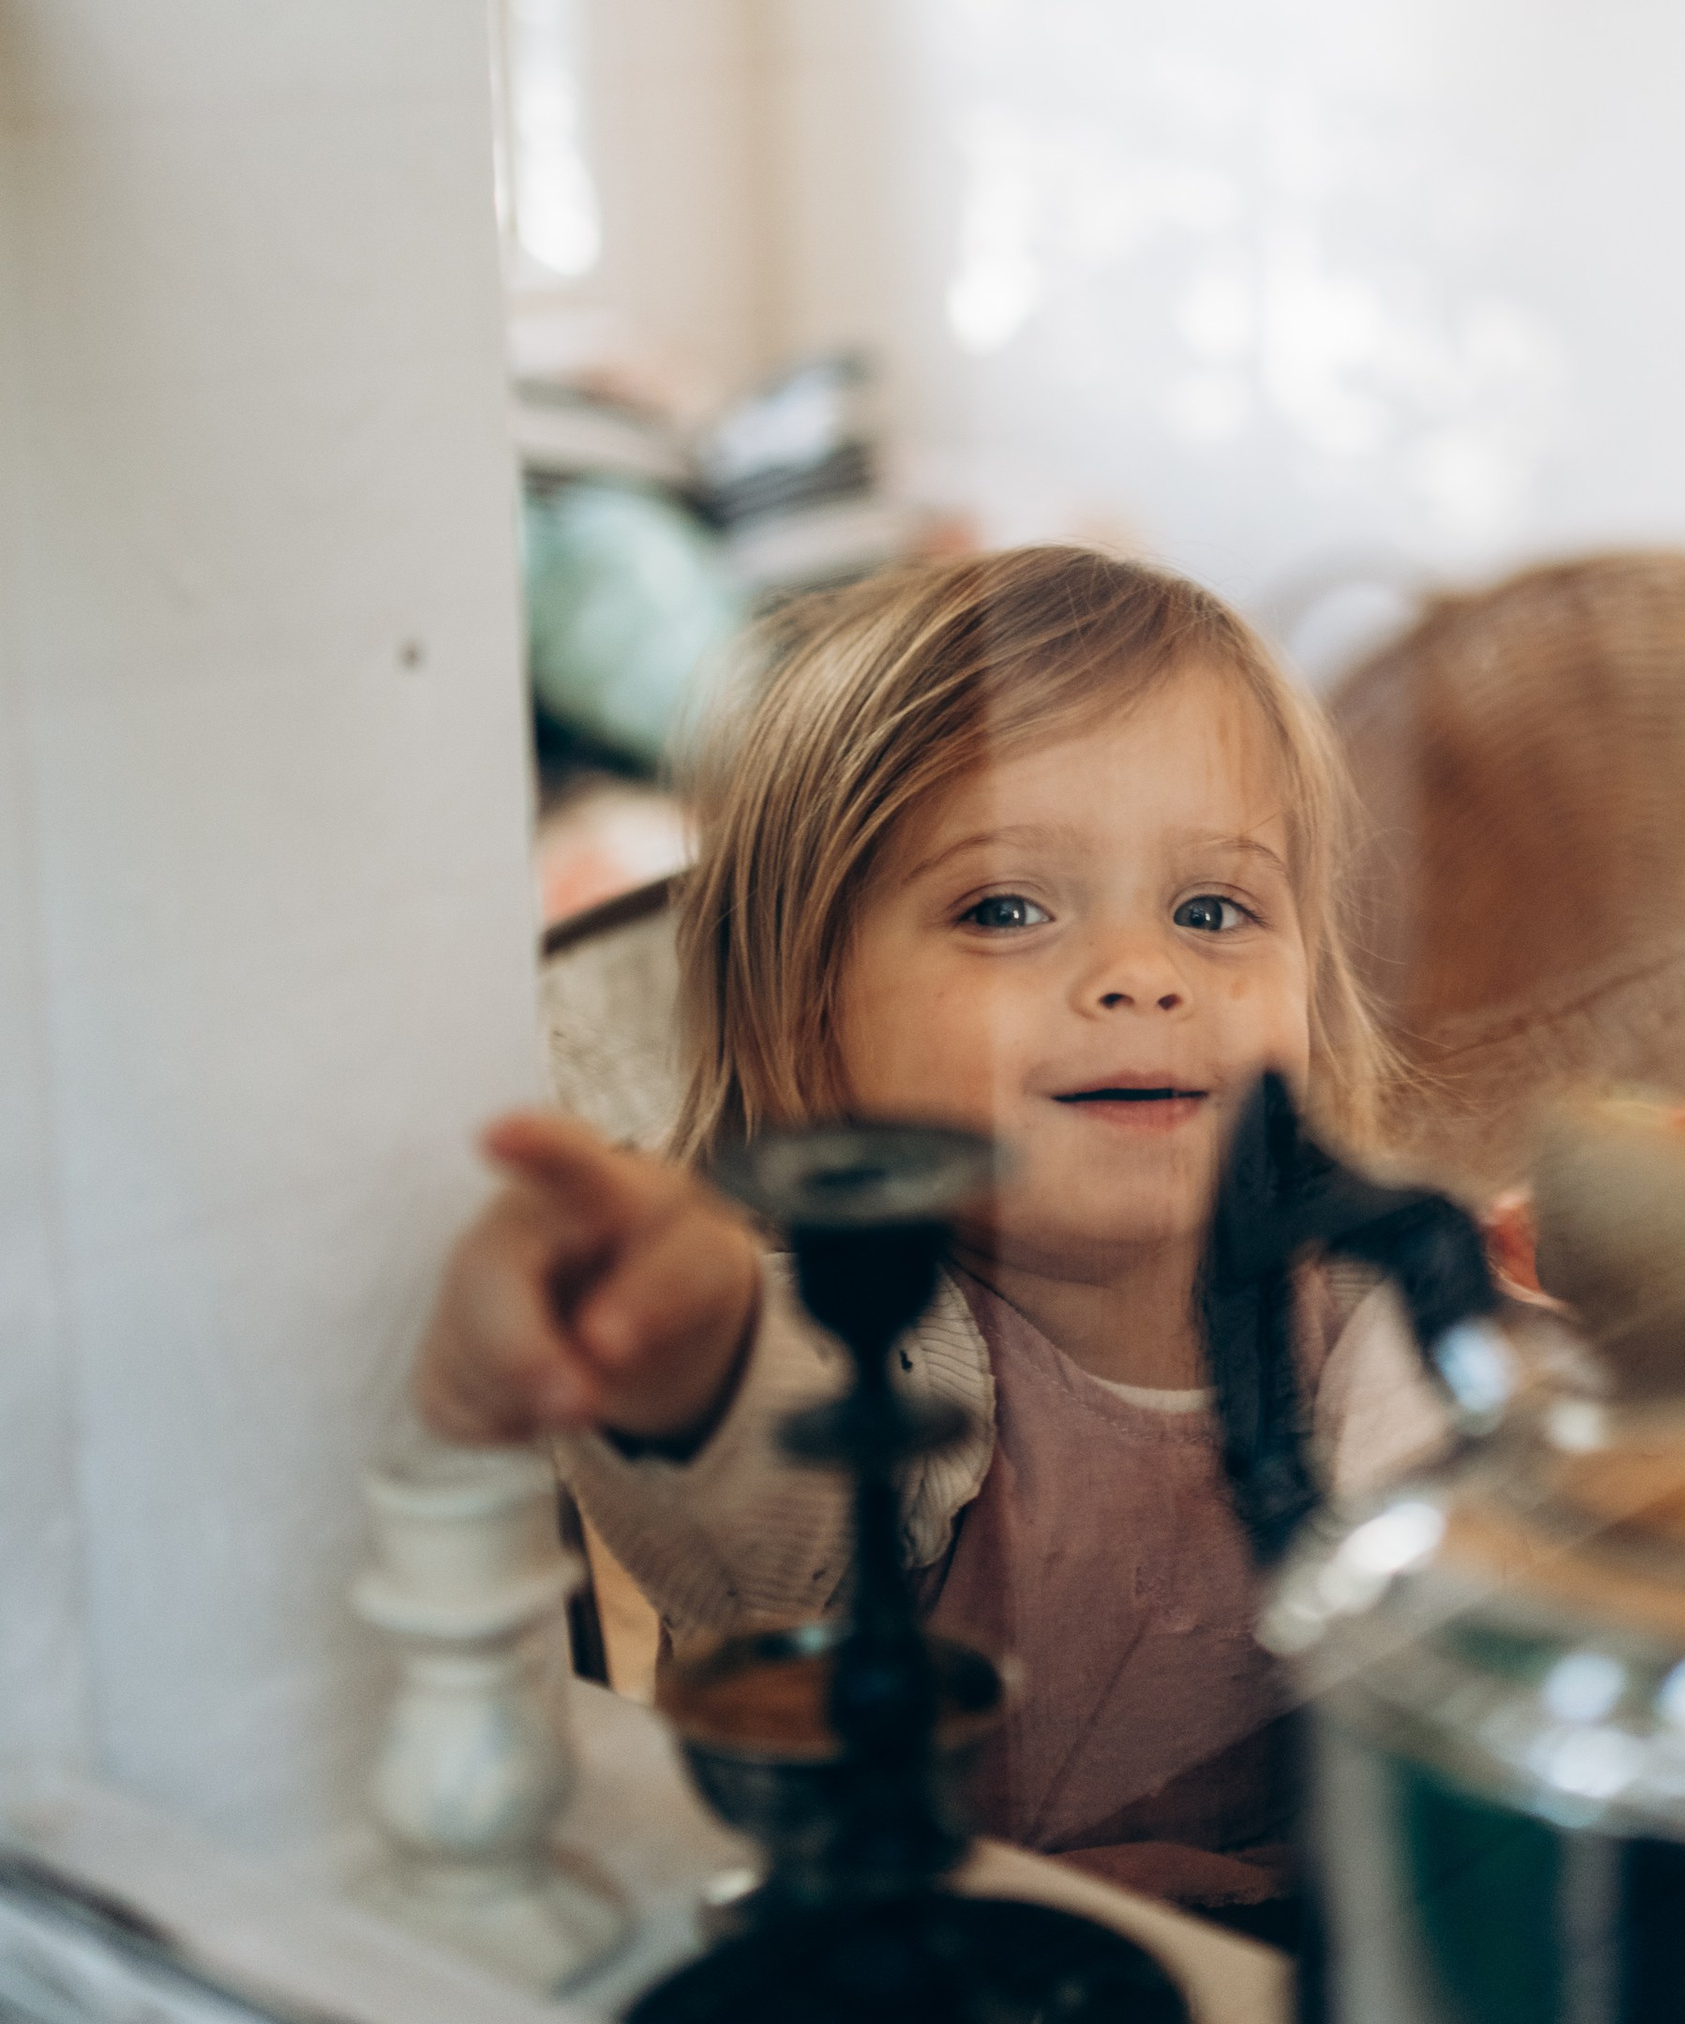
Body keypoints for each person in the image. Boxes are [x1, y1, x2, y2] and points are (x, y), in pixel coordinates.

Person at [414, 545, 1449, 1922]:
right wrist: (695, 1340)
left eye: (1215, 909)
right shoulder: (895, 1336)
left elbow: (1478, 1544)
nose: (1146, 976)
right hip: (907, 1967)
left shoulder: (1349, 1314)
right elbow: (769, 1513)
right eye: (1006, 908)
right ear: (809, 1028)